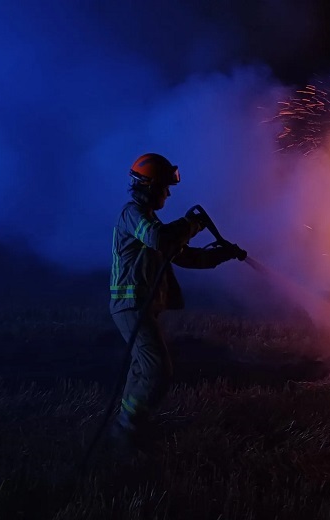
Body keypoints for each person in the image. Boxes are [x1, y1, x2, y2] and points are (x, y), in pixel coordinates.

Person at [108, 152, 245, 455]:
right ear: (151, 187)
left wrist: (224, 254)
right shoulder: (133, 215)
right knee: (157, 370)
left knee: (143, 370)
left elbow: (186, 257)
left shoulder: (153, 223)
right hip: (130, 307)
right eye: (165, 188)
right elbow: (160, 239)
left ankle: (129, 425)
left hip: (141, 307)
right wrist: (191, 224)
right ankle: (125, 432)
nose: (168, 195)